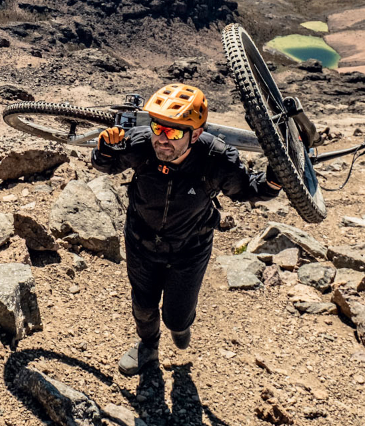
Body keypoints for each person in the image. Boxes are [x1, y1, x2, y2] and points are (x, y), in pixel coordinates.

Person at [91, 83, 280, 376]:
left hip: (190, 250)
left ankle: (180, 328)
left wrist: (275, 180)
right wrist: (103, 151)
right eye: (158, 127)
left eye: (175, 132)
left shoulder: (217, 160)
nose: (163, 139)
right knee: (143, 307)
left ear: (197, 133)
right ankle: (148, 347)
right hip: (141, 242)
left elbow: (247, 190)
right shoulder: (142, 143)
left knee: (177, 318)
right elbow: (108, 165)